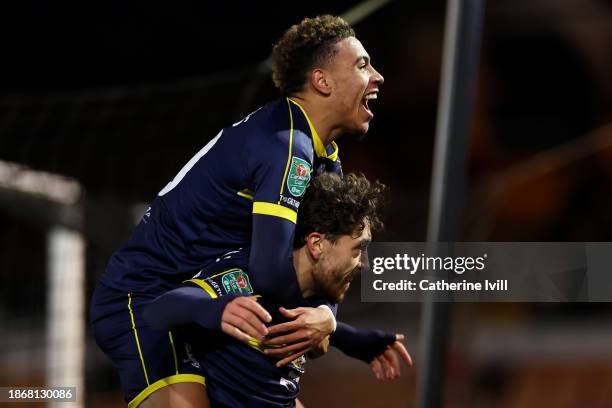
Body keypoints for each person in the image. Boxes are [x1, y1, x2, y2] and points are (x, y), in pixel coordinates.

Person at [90, 15, 399, 408]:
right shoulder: (287, 146)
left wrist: (330, 321)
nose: (377, 76)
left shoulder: (326, 160)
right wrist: (333, 324)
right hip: (147, 299)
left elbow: (318, 265)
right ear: (322, 82)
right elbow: (272, 271)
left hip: (216, 300)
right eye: (362, 65)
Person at [144, 173, 413, 407]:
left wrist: (353, 340)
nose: (365, 264)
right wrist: (218, 309)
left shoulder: (310, 296)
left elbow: (283, 319)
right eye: (358, 250)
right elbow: (159, 310)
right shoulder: (246, 277)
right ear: (317, 244)